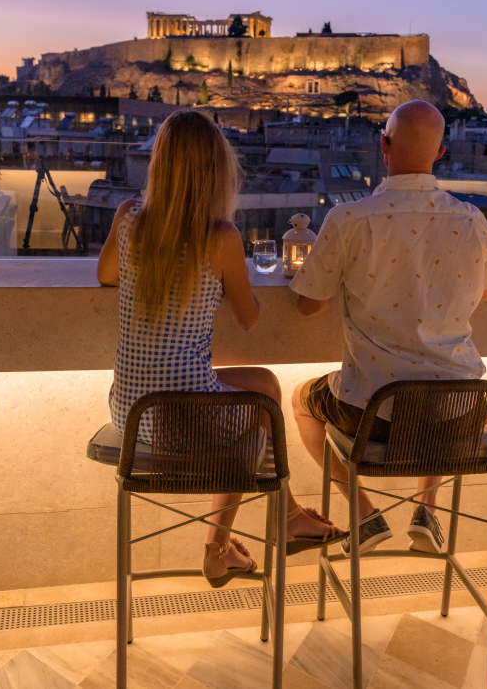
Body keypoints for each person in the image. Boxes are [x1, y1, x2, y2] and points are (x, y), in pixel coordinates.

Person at [98, 110, 344, 588]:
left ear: (158, 166)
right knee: (264, 402)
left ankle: (279, 521)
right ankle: (221, 544)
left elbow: (107, 275)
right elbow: (249, 318)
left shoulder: (128, 218)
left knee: (263, 390)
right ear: (215, 171)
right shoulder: (221, 237)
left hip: (131, 413)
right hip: (186, 415)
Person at [289, 100, 487, 555]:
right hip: (464, 413)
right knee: (439, 385)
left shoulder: (350, 219)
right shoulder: (471, 219)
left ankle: (364, 514)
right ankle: (426, 510)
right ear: (441, 152)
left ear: (383, 144)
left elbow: (309, 305)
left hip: (376, 420)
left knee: (302, 399)